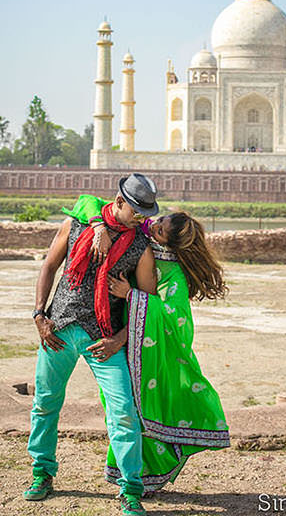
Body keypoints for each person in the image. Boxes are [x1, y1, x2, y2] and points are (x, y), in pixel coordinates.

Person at [27, 174, 161, 516]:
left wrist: (119, 338)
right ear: (119, 202)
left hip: (105, 339)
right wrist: (39, 315)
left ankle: (131, 488)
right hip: (58, 330)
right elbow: (49, 266)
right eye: (137, 210)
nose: (142, 218)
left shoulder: (139, 248)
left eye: (146, 212)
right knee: (45, 404)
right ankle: (42, 473)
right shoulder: (76, 225)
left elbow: (148, 303)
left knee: (124, 413)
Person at [103, 211, 232, 494]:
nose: (154, 227)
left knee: (144, 408)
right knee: (122, 408)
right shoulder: (142, 243)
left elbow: (173, 318)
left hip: (151, 353)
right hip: (129, 342)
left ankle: (140, 479)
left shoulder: (174, 274)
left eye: (160, 231)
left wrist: (131, 295)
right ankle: (131, 474)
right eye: (158, 221)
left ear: (170, 244)